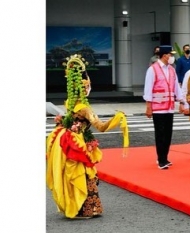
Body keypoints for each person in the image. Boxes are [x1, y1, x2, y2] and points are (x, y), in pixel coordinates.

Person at [46, 54, 129, 219]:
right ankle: (86, 208)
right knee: (84, 174)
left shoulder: (70, 102)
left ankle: (76, 206)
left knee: (74, 174)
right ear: (85, 88)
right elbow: (101, 127)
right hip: (79, 144)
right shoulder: (85, 108)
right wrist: (118, 118)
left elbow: (70, 121)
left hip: (69, 142)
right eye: (88, 86)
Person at [143, 45, 183, 169]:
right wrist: (148, 107)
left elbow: (176, 87)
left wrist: (181, 101)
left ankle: (165, 157)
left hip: (169, 107)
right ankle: (161, 159)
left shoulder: (171, 69)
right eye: (171, 55)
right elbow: (148, 88)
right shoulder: (153, 69)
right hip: (158, 108)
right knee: (160, 134)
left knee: (168, 133)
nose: (172, 57)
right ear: (165, 55)